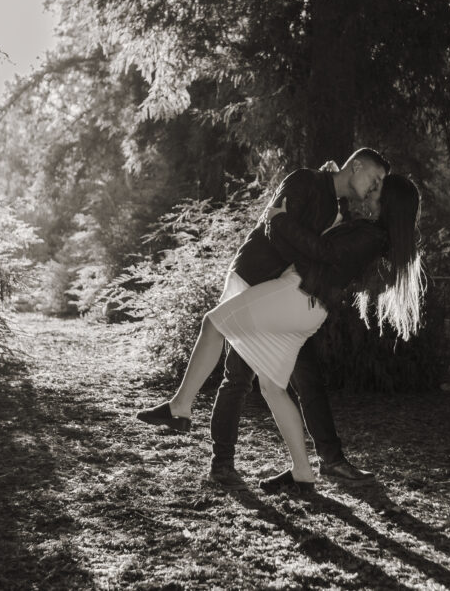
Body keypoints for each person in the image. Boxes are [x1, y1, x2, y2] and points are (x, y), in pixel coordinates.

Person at [137, 149, 389, 490]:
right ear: (355, 166)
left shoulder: (340, 211)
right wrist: (301, 265)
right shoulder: (305, 181)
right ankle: (220, 460)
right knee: (239, 375)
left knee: (265, 382)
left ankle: (202, 434)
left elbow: (315, 251)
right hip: (253, 276)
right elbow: (273, 227)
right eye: (374, 178)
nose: (374, 187)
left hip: (279, 290)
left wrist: (303, 267)